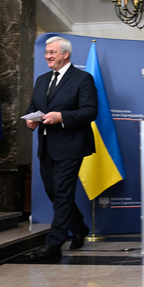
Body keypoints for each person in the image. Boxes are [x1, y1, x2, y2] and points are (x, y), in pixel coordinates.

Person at [26, 36, 98, 260]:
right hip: (46, 146)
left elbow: (90, 112)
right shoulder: (42, 79)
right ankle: (80, 228)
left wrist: (61, 117)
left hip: (71, 146)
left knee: (63, 193)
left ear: (65, 54)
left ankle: (54, 245)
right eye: (46, 52)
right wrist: (31, 120)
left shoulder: (83, 79)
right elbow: (33, 107)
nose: (47, 56)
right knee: (54, 192)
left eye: (52, 52)